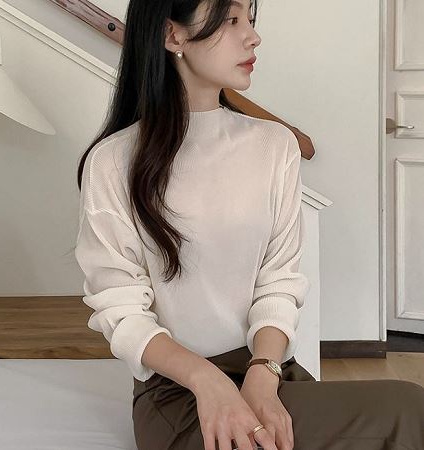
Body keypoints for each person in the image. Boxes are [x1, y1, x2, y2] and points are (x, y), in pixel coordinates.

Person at [74, 0, 424, 449]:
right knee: (406, 409)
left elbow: (278, 281)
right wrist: (208, 381)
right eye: (231, 21)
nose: (253, 37)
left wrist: (263, 372)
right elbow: (121, 311)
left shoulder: (274, 145)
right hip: (178, 392)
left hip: (270, 371)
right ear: (173, 35)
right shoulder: (113, 162)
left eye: (251, 21)